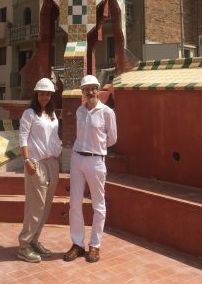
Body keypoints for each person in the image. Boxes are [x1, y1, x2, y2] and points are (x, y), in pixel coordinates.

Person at [63, 75, 117, 263]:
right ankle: (77, 244)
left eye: (93, 88)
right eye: (87, 89)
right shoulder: (79, 111)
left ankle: (95, 245)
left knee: (98, 205)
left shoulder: (107, 112)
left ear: (98, 89)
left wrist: (98, 148)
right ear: (83, 92)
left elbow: (112, 139)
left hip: (95, 161)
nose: (90, 92)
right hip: (77, 158)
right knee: (74, 203)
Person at [17, 78, 62, 263]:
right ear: (37, 94)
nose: (44, 96)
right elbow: (23, 137)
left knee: (46, 206)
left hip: (52, 162)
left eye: (48, 93)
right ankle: (23, 245)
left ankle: (34, 239)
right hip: (36, 163)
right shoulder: (30, 113)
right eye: (42, 93)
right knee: (36, 206)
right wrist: (26, 160)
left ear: (51, 96)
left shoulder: (51, 115)